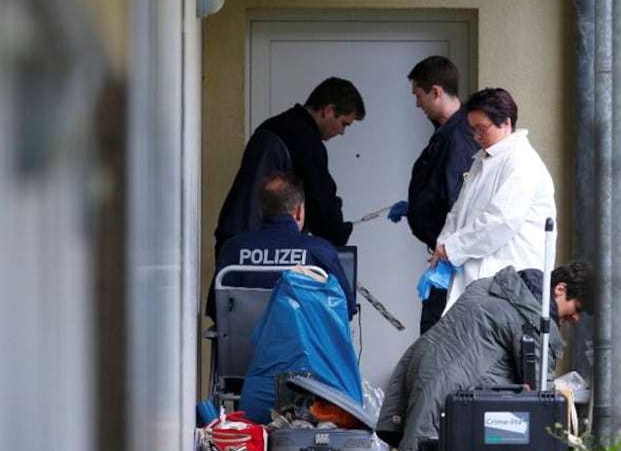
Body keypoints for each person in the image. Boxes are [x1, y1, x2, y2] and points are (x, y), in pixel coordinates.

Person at [376, 260, 594, 451]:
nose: (576, 318)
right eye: (578, 308)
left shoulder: (491, 286)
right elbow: (542, 399)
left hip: (423, 376)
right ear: (560, 289)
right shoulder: (532, 320)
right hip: (447, 402)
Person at [212, 76, 365, 261]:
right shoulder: (306, 140)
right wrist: (338, 233)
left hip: (233, 239)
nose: (341, 132)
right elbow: (321, 202)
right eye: (344, 124)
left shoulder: (272, 126)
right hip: (263, 249)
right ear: (329, 110)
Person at [432, 87, 557, 310]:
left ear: (506, 123)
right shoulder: (483, 161)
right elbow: (459, 211)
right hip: (481, 283)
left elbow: (501, 220)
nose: (476, 137)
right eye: (473, 130)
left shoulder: (522, 162)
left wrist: (452, 248)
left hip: (509, 283)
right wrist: (442, 246)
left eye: (482, 129)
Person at [387, 56, 478, 333]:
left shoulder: (459, 137)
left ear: (436, 92)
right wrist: (416, 208)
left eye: (419, 95)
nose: (417, 104)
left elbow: (460, 203)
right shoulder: (444, 133)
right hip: (444, 253)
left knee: (434, 339)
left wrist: (448, 255)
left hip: (452, 264)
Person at [208, 171, 357, 321]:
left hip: (244, 343)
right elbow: (346, 309)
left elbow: (215, 309)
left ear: (260, 211)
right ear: (299, 211)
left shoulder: (233, 248)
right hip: (302, 344)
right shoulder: (319, 250)